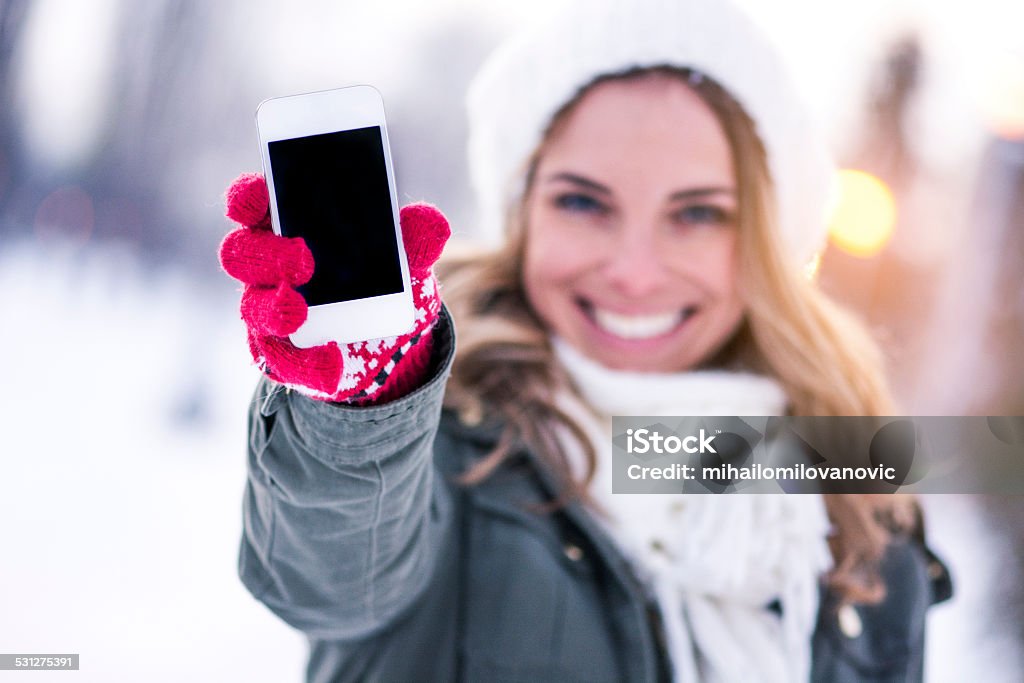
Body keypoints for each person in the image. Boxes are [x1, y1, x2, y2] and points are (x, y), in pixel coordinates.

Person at [219, 0, 951, 680]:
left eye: (696, 214)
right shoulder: (441, 446)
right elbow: (332, 581)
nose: (634, 272)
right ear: (524, 214)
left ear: (766, 240)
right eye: (582, 201)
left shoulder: (854, 500)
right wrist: (364, 418)